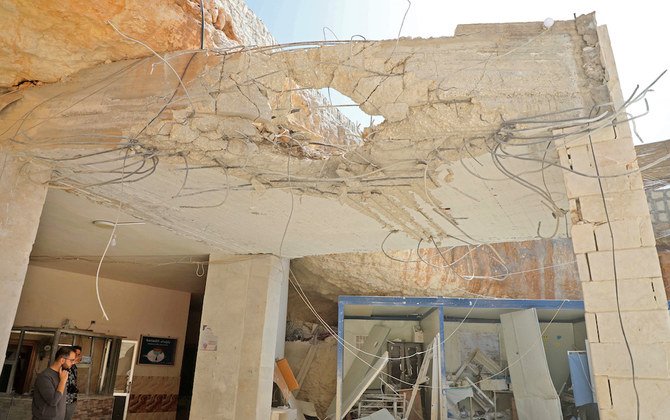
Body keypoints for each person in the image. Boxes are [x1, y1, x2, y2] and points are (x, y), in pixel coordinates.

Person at [32, 346, 75, 420]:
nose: (73, 363)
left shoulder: (62, 374)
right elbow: (53, 401)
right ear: (62, 360)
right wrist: (62, 382)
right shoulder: (45, 377)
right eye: (71, 360)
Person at [64, 346, 81, 420]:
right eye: (75, 354)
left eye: (78, 355)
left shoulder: (74, 367)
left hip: (72, 398)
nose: (77, 357)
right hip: (64, 400)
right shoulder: (64, 366)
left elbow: (74, 380)